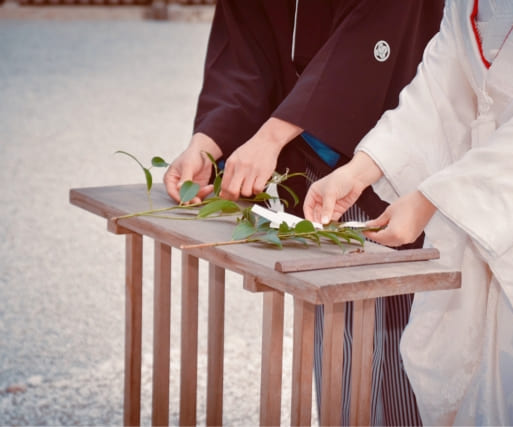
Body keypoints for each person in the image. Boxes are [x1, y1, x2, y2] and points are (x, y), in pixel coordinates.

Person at [304, 0, 513, 424]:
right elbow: (442, 83)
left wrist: (433, 199)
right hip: (479, 191)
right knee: (480, 373)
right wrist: (362, 167)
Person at [163, 1, 444, 424]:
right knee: (339, 343)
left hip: (379, 148)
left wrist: (271, 135)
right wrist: (209, 142)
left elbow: (370, 38)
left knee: (399, 337)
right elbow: (243, 51)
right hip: (301, 154)